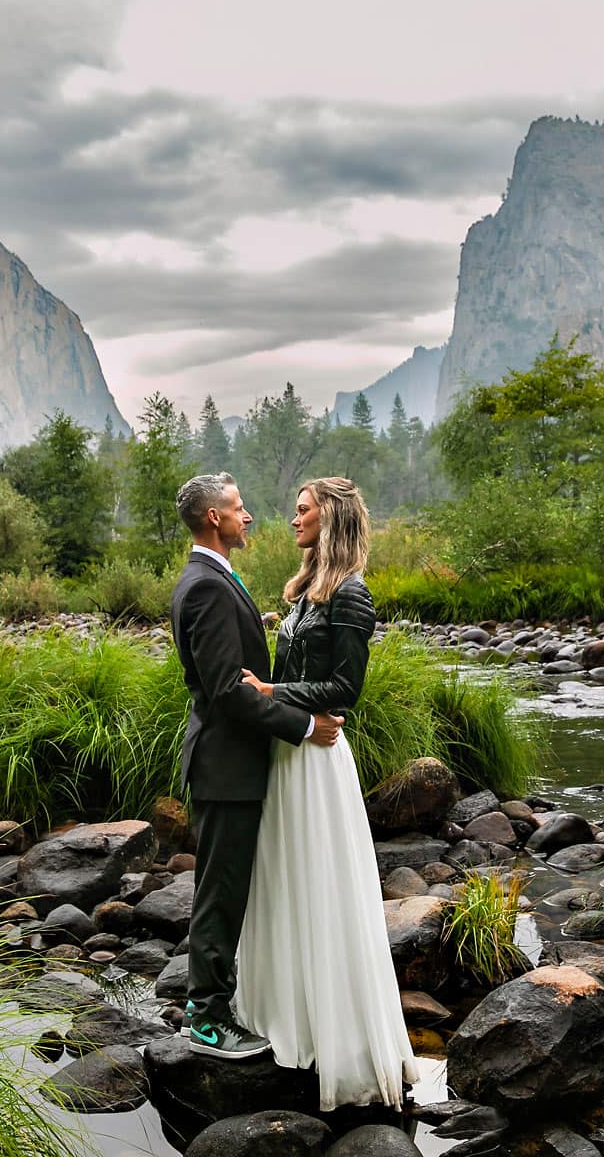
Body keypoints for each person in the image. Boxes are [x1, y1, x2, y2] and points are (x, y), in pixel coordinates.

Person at [231, 476, 419, 1110]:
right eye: (293, 511)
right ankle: (287, 1021)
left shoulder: (353, 596)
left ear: (332, 518)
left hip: (321, 760)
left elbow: (345, 690)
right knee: (284, 881)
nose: (292, 519)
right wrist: (273, 702)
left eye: (303, 510)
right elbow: (285, 679)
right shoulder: (304, 594)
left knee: (323, 886)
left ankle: (341, 1040)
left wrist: (272, 695)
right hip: (291, 752)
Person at [168, 472, 342, 1060]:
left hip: (232, 763)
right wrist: (301, 725)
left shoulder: (212, 577)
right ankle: (207, 1021)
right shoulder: (207, 586)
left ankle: (218, 1005)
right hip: (226, 765)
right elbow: (225, 690)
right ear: (214, 519)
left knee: (229, 886)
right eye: (239, 510)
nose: (249, 517)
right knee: (220, 891)